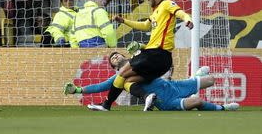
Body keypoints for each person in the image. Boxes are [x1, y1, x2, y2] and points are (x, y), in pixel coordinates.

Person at [99, 0, 194, 111]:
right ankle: (148, 97)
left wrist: (188, 19)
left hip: (155, 54)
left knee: (122, 73)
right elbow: (145, 26)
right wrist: (124, 21)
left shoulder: (166, 4)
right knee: (127, 81)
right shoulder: (155, 12)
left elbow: (180, 13)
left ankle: (106, 105)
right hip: (162, 61)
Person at [65, 52, 240, 112]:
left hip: (173, 85)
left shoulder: (138, 61)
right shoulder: (119, 77)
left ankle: (193, 77)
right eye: (112, 58)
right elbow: (100, 86)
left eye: (117, 54)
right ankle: (223, 108)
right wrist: (78, 90)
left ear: (124, 56)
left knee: (211, 80)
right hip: (166, 99)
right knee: (198, 101)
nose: (115, 56)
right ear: (113, 66)